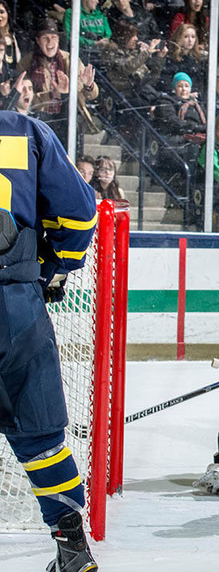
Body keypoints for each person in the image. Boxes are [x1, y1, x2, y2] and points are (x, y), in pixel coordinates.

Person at [0, 111, 100, 572]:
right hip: (14, 302)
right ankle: (72, 548)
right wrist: (51, 269)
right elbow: (79, 213)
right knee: (40, 435)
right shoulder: (24, 129)